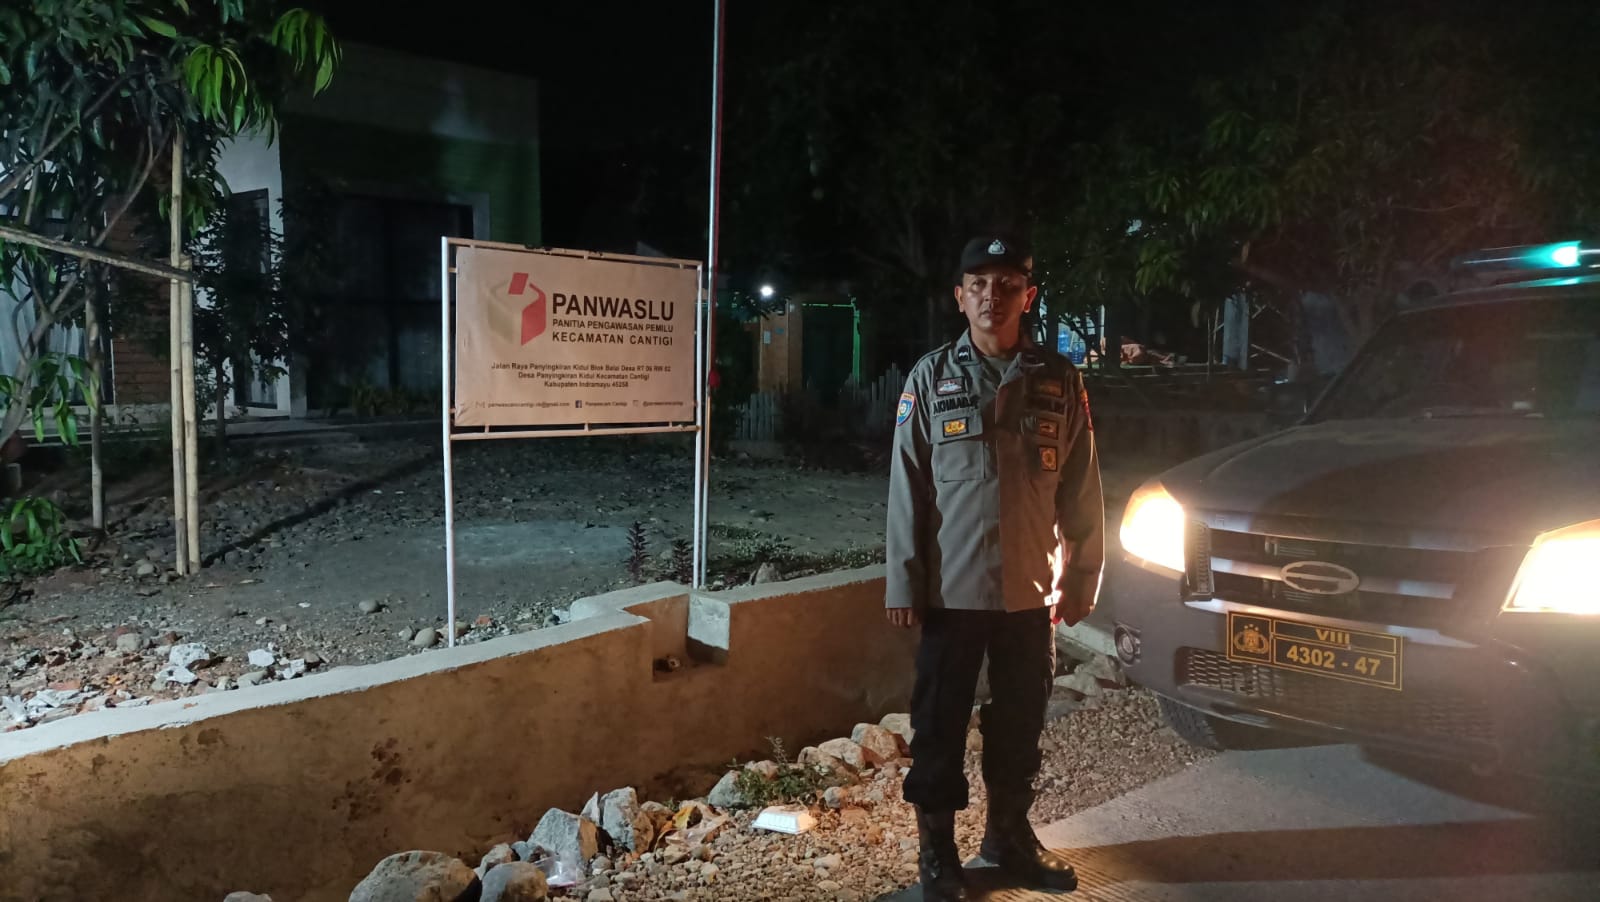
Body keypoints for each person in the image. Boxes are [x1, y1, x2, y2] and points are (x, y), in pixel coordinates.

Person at [885, 233, 1105, 900]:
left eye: (1007, 284)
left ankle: (1007, 836)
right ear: (960, 297)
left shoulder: (1059, 381)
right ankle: (937, 852)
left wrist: (1083, 577)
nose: (992, 296)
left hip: (1029, 593)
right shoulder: (930, 378)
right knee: (938, 726)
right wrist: (903, 581)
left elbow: (1082, 488)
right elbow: (907, 486)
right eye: (978, 284)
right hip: (952, 593)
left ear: (1027, 297)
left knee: (1020, 724)